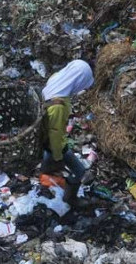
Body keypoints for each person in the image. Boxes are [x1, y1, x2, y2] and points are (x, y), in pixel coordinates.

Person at [40, 59, 94, 207]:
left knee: (47, 163)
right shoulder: (59, 105)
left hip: (43, 135)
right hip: (52, 143)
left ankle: (44, 178)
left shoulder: (56, 79)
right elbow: (55, 134)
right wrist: (58, 156)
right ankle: (70, 199)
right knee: (79, 170)